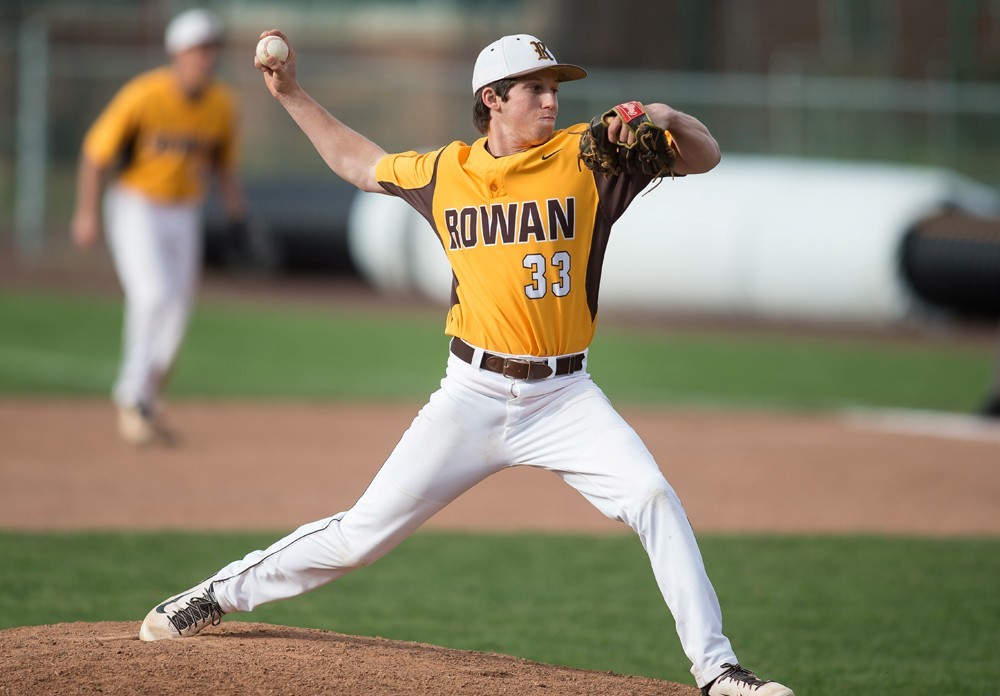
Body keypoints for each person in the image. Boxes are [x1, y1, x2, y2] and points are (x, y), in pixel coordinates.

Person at [137, 31, 794, 696]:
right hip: (472, 394)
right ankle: (219, 592)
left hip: (567, 398)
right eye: (535, 88)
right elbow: (361, 163)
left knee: (653, 495)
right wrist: (291, 95)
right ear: (493, 100)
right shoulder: (445, 172)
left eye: (554, 87)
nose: (550, 99)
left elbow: (703, 158)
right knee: (360, 535)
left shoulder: (592, 154)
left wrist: (667, 119)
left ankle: (718, 671)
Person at [70, 8, 246, 446]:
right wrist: (86, 213)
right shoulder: (144, 95)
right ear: (177, 53)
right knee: (153, 295)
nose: (207, 57)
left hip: (184, 212)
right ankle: (131, 395)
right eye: (198, 49)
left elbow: (223, 166)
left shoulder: (223, 104)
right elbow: (96, 154)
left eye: (212, 48)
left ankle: (146, 400)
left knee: (179, 309)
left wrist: (235, 211)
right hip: (137, 206)